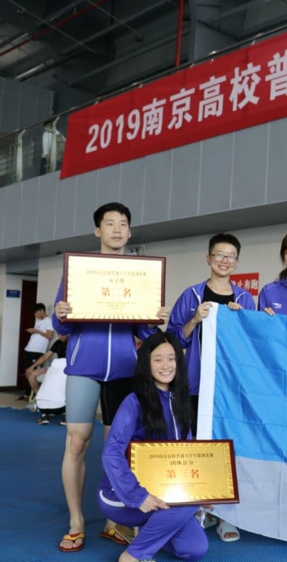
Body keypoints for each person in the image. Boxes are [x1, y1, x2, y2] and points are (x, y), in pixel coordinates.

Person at [52, 202, 169, 553]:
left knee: (117, 447)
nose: (117, 229)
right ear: (97, 230)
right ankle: (76, 521)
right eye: (109, 223)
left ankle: (113, 520)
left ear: (130, 232)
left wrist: (155, 317)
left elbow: (144, 331)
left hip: (123, 371)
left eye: (123, 224)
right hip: (83, 368)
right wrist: (60, 313)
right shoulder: (79, 270)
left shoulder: (140, 274)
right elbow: (61, 326)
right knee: (77, 442)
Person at [167, 232, 255, 542]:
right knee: (195, 446)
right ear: (208, 258)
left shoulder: (245, 299)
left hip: (230, 388)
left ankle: (226, 515)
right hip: (195, 385)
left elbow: (252, 344)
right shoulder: (192, 295)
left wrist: (242, 322)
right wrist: (194, 319)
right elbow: (172, 339)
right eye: (219, 255)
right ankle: (196, 510)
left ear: (237, 262)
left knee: (229, 447)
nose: (224, 261)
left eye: (230, 256)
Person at [98, 332, 208, 562]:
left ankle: (144, 532)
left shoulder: (181, 401)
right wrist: (138, 496)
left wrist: (207, 490)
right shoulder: (134, 402)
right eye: (158, 359)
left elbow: (189, 453)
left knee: (194, 549)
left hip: (165, 491)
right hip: (122, 496)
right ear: (146, 364)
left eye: (171, 358)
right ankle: (132, 556)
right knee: (189, 500)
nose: (166, 365)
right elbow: (111, 452)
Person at [19, 303, 53, 399]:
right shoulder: (38, 322)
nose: (35, 315)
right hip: (29, 348)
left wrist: (37, 331)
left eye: (36, 313)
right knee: (27, 372)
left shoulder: (49, 321)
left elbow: (49, 335)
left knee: (33, 373)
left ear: (42, 310)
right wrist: (33, 331)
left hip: (38, 350)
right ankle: (27, 394)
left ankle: (35, 395)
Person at [25, 333, 68, 408]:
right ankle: (39, 398)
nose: (61, 336)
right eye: (59, 334)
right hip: (57, 365)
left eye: (63, 334)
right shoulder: (57, 343)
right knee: (31, 375)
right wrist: (32, 366)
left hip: (67, 367)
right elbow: (45, 357)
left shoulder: (73, 342)